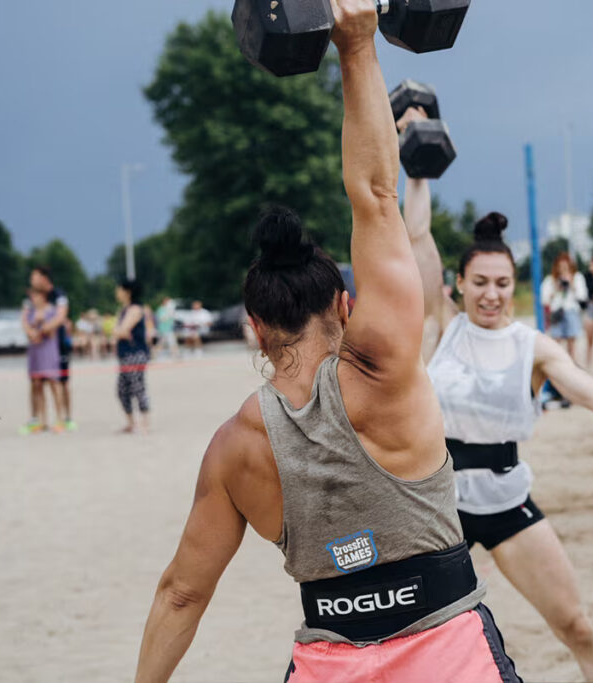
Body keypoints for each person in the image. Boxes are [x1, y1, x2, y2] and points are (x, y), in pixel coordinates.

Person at [135, 5, 520, 681]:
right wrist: (358, 44)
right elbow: (374, 194)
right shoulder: (382, 367)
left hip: (327, 667)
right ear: (345, 304)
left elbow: (182, 592)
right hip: (448, 657)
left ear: (255, 325)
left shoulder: (235, 449)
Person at [400, 127, 593, 682]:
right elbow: (416, 235)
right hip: (437, 505)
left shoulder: (533, 347)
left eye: (502, 282)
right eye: (479, 282)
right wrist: (417, 168)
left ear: (515, 283)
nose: (491, 294)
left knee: (575, 625)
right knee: (414, 638)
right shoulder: (442, 326)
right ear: (459, 283)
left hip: (505, 500)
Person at [30, 266, 75, 430]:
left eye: (34, 277)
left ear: (44, 278)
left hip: (59, 343)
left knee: (61, 381)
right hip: (41, 346)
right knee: (38, 382)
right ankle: (40, 419)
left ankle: (67, 417)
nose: (32, 280)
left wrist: (41, 331)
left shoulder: (59, 295)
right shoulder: (36, 296)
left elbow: (61, 317)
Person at [20, 288, 64, 434]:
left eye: (35, 295)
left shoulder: (52, 311)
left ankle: (59, 419)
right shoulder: (30, 311)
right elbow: (26, 329)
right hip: (35, 351)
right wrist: (32, 331)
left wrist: (42, 325)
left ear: (43, 296)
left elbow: (52, 331)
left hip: (48, 350)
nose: (32, 298)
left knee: (53, 383)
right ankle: (41, 420)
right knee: (36, 384)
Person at [114, 280, 151, 435]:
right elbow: (119, 331)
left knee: (137, 387)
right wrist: (119, 331)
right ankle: (131, 423)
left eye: (119, 289)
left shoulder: (135, 309)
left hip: (135, 354)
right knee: (122, 390)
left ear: (127, 292)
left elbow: (121, 330)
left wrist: (118, 331)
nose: (117, 292)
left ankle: (145, 423)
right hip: (125, 354)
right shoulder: (124, 309)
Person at [541, 253, 587, 359]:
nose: (563, 269)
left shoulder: (577, 277)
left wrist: (571, 284)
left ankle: (571, 367)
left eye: (565, 267)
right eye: (560, 267)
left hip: (571, 310)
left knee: (572, 343)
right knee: (556, 342)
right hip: (556, 312)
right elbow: (544, 299)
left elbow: (582, 296)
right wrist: (556, 288)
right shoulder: (550, 280)